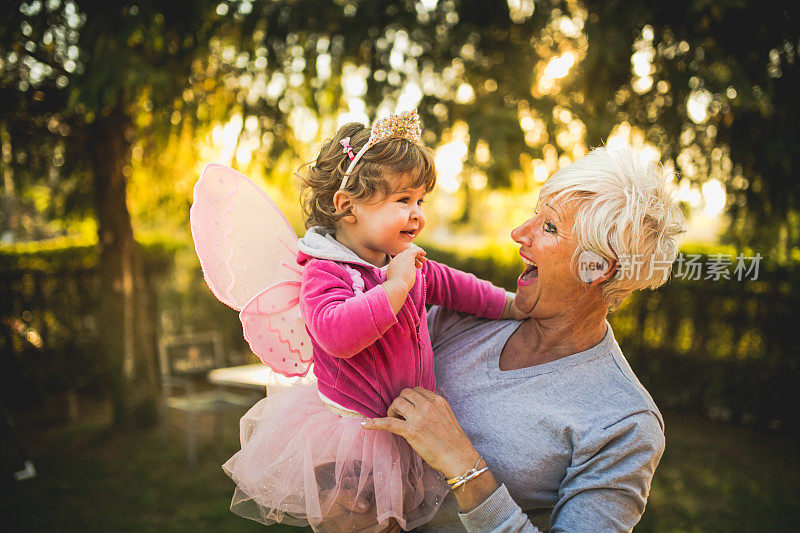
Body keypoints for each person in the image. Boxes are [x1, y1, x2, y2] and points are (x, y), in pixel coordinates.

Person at [221, 110, 525, 532]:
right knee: (356, 521)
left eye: (421, 200)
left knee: (394, 523)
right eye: (403, 200)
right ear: (348, 206)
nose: (417, 213)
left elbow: (456, 287)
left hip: (401, 428)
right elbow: (335, 332)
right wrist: (394, 288)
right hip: (353, 438)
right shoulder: (326, 270)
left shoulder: (400, 262)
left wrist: (511, 305)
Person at [362, 146, 687, 532]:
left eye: (549, 226)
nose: (519, 233)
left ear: (598, 267)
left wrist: (464, 465)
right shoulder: (462, 320)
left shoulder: (624, 424)